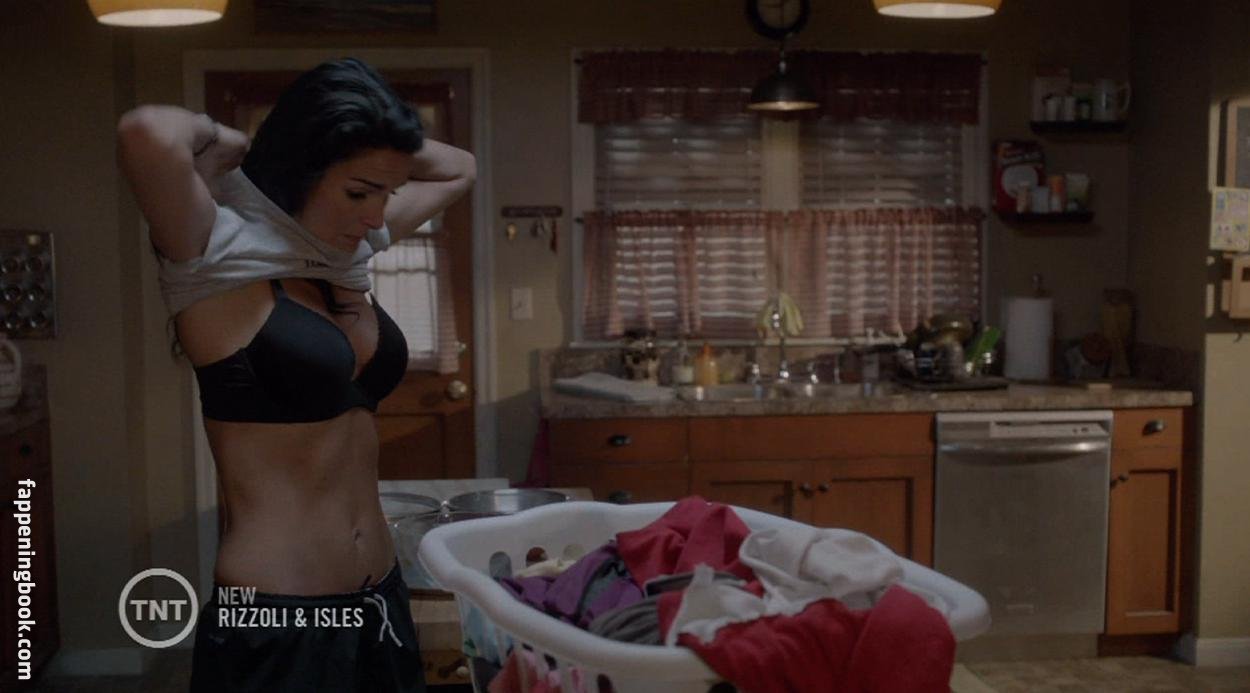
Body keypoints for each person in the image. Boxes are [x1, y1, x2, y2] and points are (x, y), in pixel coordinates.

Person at [115, 58, 476, 692]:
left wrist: (372, 140)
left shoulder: (348, 249)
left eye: (387, 193)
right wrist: (232, 141)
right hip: (280, 618)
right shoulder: (210, 253)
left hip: (381, 601)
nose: (377, 216)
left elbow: (460, 167)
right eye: (359, 191)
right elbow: (145, 130)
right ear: (301, 165)